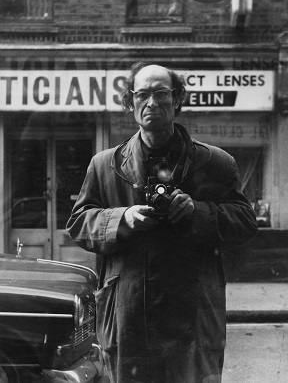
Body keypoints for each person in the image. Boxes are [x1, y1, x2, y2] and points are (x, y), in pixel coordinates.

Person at [66, 62, 258, 383]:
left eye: (161, 94)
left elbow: (244, 223)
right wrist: (121, 218)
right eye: (142, 94)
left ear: (177, 100)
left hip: (192, 312)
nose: (151, 103)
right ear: (130, 102)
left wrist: (198, 211)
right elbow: (78, 222)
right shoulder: (104, 165)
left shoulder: (216, 163)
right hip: (129, 311)